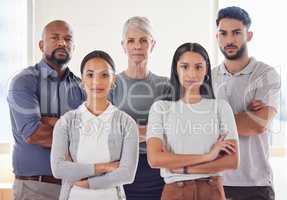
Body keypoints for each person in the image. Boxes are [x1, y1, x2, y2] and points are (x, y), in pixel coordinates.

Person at [146, 42, 239, 200]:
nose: (192, 74)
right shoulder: (160, 108)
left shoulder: (220, 108)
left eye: (198, 67)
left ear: (206, 70)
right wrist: (208, 156)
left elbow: (231, 161)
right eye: (185, 66)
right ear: (176, 68)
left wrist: (184, 169)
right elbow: (155, 159)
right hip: (175, 192)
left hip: (212, 192)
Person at [7, 20, 85, 200]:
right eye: (55, 38)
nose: (62, 43)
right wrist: (75, 133)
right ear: (42, 45)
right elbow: (34, 134)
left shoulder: (82, 87)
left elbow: (94, 131)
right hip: (35, 187)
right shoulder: (24, 81)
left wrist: (50, 121)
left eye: (68, 39)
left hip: (76, 188)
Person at [212, 6, 281, 200]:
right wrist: (245, 115)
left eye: (236, 33)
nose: (229, 40)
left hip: (255, 185)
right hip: (216, 182)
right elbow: (195, 127)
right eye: (223, 34)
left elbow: (257, 125)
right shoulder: (209, 76)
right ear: (217, 36)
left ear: (248, 35)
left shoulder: (266, 74)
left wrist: (212, 118)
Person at [50, 50, 139, 200]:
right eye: (90, 75)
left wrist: (88, 183)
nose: (97, 81)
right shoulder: (66, 122)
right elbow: (58, 169)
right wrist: (104, 167)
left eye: (104, 75)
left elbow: (127, 174)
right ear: (82, 81)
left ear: (113, 80)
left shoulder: (127, 123)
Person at [108, 16, 171, 200]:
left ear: (153, 45)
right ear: (123, 45)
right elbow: (107, 132)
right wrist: (152, 131)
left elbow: (172, 131)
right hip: (120, 167)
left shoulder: (165, 86)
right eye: (131, 40)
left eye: (144, 40)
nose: (137, 46)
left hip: (156, 171)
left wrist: (128, 131)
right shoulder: (111, 84)